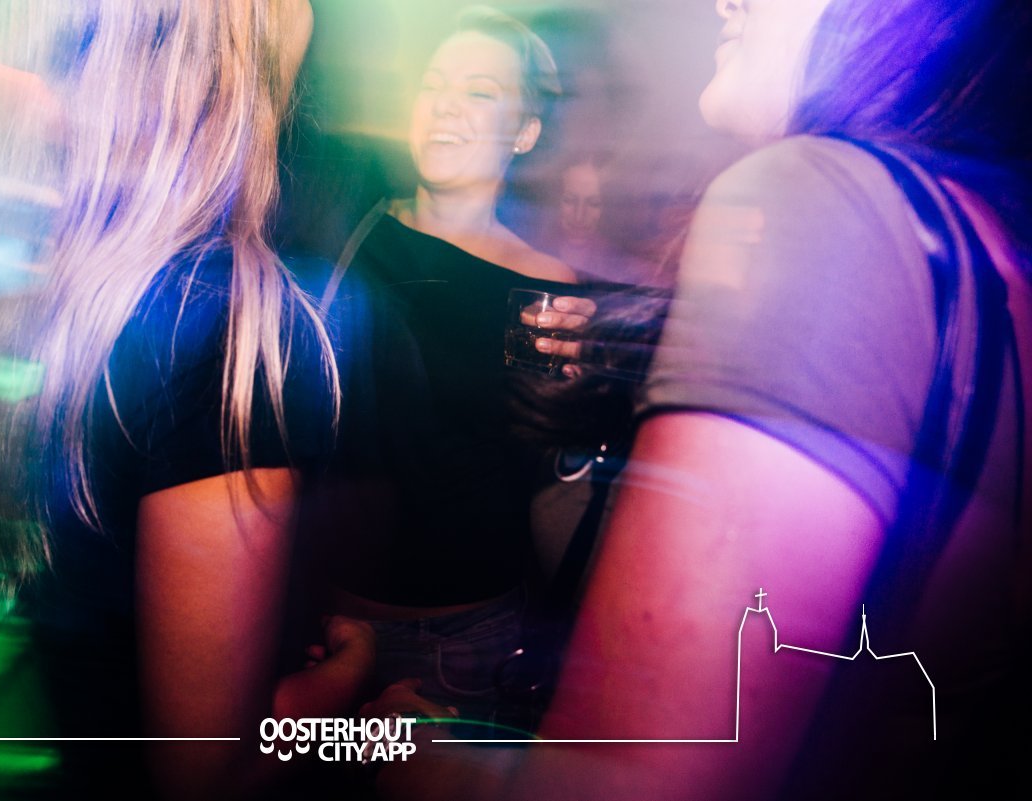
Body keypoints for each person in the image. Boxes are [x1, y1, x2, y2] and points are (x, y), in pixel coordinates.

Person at [367, 1, 1031, 799]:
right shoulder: (981, 247)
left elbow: (621, 786)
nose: (725, 0)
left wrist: (404, 745)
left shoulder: (822, 196)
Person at [0, 2, 374, 799]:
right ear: (225, 51)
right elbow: (208, 770)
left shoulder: (56, 288)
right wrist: (359, 703)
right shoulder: (232, 328)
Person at [295, 6, 596, 726]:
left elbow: (539, 468)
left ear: (524, 131)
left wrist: (578, 404)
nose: (447, 107)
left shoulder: (541, 289)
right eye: (434, 85)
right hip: (320, 624)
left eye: (480, 92)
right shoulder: (350, 223)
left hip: (460, 648)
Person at [546, 152, 662, 286]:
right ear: (554, 200)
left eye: (594, 203)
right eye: (570, 200)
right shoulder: (531, 251)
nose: (579, 215)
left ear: (609, 206)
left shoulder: (626, 268)